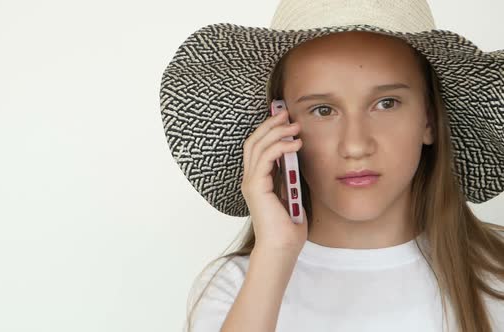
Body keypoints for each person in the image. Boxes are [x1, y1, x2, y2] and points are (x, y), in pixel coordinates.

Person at [158, 0, 504, 331]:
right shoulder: (235, 287)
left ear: (428, 119)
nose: (355, 145)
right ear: (277, 126)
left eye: (386, 103)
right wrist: (275, 254)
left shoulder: (495, 279)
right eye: (322, 110)